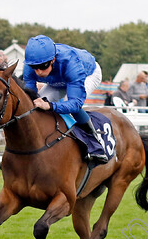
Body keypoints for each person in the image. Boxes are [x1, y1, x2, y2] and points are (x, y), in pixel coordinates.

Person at [22, 35, 107, 163]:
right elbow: (30, 96)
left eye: (43, 66)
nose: (38, 72)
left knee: (69, 103)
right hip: (57, 81)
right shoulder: (30, 64)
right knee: (35, 105)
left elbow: (75, 104)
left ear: (53, 59)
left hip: (88, 74)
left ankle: (95, 144)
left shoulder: (71, 63)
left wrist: (51, 106)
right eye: (35, 67)